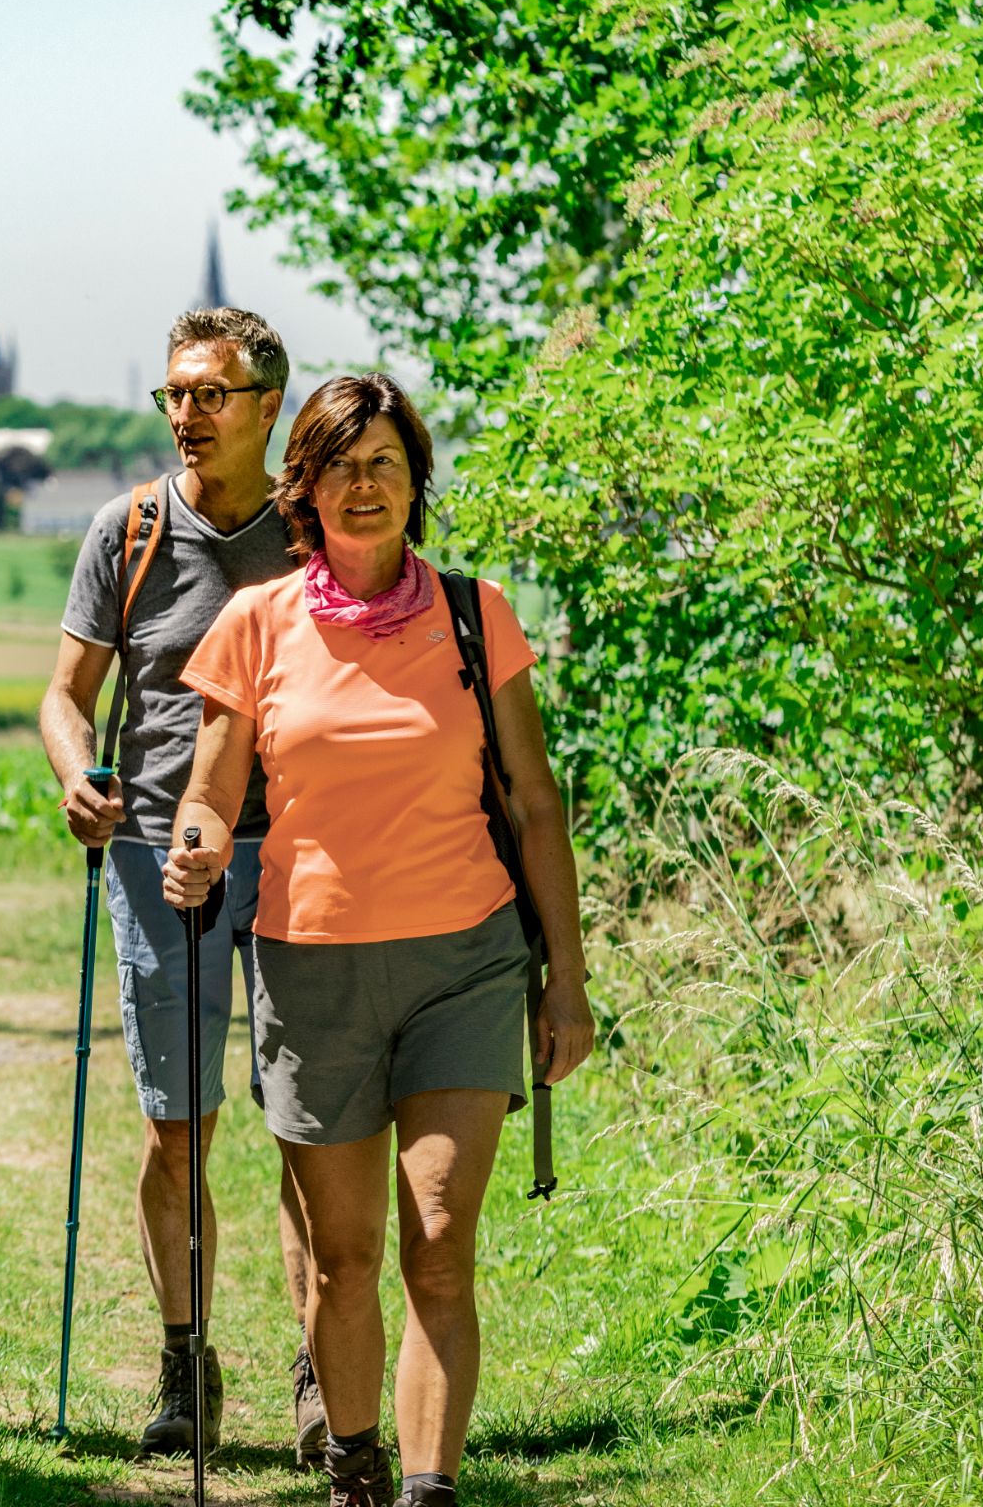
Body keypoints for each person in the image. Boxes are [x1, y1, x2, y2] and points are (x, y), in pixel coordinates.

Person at [161, 372, 595, 1507]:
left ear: (416, 484)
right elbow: (211, 790)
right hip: (310, 967)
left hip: (467, 958)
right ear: (304, 486)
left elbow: (536, 803)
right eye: (343, 467)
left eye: (387, 466)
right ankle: (354, 1454)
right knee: (344, 1256)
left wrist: (570, 981)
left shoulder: (473, 612)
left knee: (439, 1241)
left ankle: (426, 1486)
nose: (367, 487)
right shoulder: (256, 623)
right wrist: (197, 847)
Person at [37, 307, 321, 1463]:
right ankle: (183, 1357)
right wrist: (75, 776)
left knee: (315, 1131)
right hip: (162, 855)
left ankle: (322, 1367)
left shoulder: (318, 533)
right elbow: (65, 693)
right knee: (177, 1133)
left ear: (268, 408)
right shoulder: (131, 529)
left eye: (211, 393)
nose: (188, 415)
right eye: (175, 395)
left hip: (307, 861)